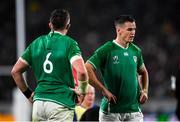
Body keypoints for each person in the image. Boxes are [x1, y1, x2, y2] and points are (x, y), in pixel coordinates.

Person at [11, 9, 89, 122]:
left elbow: (15, 71)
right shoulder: (69, 43)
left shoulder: (36, 43)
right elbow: (82, 72)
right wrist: (82, 92)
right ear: (68, 26)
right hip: (60, 102)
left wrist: (29, 94)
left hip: (39, 104)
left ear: (50, 25)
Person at [85, 15, 149, 121]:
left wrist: (145, 91)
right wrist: (103, 90)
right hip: (111, 112)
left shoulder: (136, 51)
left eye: (134, 29)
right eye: (129, 29)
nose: (133, 32)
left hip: (134, 111)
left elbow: (143, 72)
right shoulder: (107, 49)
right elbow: (87, 68)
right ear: (119, 30)